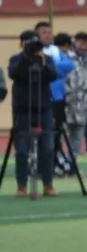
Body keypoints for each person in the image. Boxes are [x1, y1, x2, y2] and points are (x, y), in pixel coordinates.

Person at [8, 30, 58, 197]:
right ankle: (21, 185)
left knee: (47, 148)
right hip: (22, 110)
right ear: (21, 44)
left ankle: (48, 184)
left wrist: (42, 61)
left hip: (44, 109)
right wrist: (25, 56)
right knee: (22, 150)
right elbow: (13, 73)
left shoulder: (46, 59)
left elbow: (53, 75)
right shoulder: (16, 59)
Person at [65, 32, 87, 159]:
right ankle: (57, 164)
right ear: (75, 42)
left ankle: (72, 165)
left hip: (83, 105)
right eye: (80, 43)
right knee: (60, 135)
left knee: (77, 137)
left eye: (85, 43)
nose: (83, 46)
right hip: (66, 104)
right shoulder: (67, 57)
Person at [50, 32, 77, 176]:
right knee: (54, 134)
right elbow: (65, 67)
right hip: (56, 99)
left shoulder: (57, 56)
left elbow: (67, 67)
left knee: (56, 133)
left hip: (59, 99)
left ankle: (58, 163)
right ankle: (57, 163)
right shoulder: (60, 55)